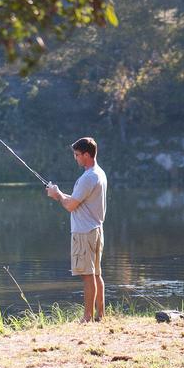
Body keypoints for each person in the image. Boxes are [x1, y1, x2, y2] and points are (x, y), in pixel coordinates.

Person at [46, 137, 108, 322]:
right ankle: (100, 315)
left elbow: (70, 206)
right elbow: (77, 201)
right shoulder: (99, 173)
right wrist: (59, 193)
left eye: (77, 154)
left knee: (88, 276)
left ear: (87, 155)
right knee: (96, 274)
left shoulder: (87, 177)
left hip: (84, 233)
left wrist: (57, 196)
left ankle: (87, 317)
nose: (76, 158)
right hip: (96, 230)